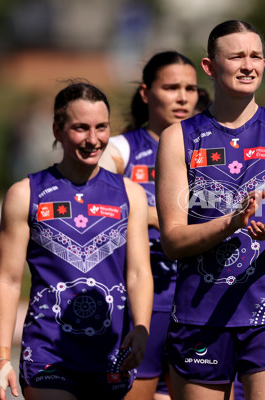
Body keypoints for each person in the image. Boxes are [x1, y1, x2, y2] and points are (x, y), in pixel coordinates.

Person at [155, 20, 265, 400]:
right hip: (200, 317)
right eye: (237, 56)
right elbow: (173, 241)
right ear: (209, 67)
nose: (248, 65)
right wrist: (231, 223)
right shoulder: (178, 138)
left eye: (256, 56)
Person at [0, 81, 153, 400]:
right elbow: (8, 280)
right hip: (47, 353)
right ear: (58, 130)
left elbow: (138, 273)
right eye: (81, 128)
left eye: (101, 127)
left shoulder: (130, 194)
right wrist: (0, 358)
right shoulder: (25, 194)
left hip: (110, 353)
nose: (93, 139)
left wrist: (142, 328)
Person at [99, 50, 200, 400]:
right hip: (144, 303)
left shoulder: (211, 147)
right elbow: (99, 200)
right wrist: (170, 222)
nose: (183, 97)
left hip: (201, 299)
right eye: (172, 87)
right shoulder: (120, 149)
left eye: (191, 88)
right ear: (146, 93)